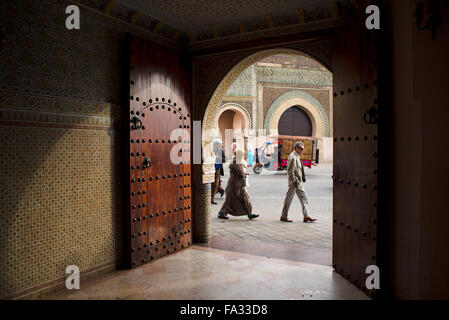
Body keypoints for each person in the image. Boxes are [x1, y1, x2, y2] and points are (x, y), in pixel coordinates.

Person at [280, 142, 317, 223]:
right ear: (296, 148)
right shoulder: (292, 157)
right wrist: (294, 181)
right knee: (288, 199)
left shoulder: (297, 156)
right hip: (294, 183)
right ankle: (283, 216)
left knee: (304, 198)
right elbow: (290, 171)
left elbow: (300, 169)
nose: (302, 150)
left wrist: (301, 179)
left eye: (303, 149)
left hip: (298, 182)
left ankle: (306, 216)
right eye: (301, 149)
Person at [218, 149, 259, 220]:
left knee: (243, 198)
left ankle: (249, 213)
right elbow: (240, 172)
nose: (243, 156)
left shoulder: (238, 161)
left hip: (238, 184)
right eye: (242, 154)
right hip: (234, 184)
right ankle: (222, 212)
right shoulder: (236, 161)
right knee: (231, 200)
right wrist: (244, 174)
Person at [211, 139, 225, 205]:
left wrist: (218, 157)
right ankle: (208, 198)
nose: (220, 145)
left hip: (218, 169)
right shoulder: (210, 150)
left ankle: (212, 199)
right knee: (210, 183)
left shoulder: (221, 150)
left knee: (215, 184)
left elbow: (224, 159)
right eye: (218, 144)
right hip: (211, 167)